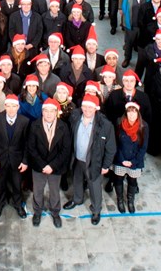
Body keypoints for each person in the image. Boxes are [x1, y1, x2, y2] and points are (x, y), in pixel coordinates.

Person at [64, 94, 115, 225]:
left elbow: (111, 148)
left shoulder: (105, 125)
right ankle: (77, 199)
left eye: (90, 107)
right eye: (85, 106)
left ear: (96, 109)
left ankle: (96, 210)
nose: (87, 110)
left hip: (93, 162)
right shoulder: (75, 117)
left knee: (94, 186)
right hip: (77, 158)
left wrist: (106, 165)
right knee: (77, 180)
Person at [26, 98, 71, 228]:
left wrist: (52, 166)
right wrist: (42, 165)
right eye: (46, 111)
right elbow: (31, 148)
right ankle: (37, 211)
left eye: (52, 111)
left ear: (56, 112)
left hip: (55, 167)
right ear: (42, 112)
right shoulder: (35, 125)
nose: (49, 114)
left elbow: (65, 150)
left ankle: (55, 212)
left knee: (54, 190)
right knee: (38, 190)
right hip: (39, 166)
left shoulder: (64, 127)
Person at [0, 93, 30, 218]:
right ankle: (0, 204)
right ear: (5, 106)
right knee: (0, 183)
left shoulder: (24, 121)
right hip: (1, 158)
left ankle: (18, 204)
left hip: (17, 159)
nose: (11, 109)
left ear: (18, 107)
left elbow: (26, 143)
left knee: (17, 183)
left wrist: (25, 161)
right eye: (8, 106)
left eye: (14, 106)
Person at [112, 101, 148, 213]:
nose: (131, 115)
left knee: (132, 181)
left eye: (134, 112)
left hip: (135, 161)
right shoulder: (119, 124)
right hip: (120, 158)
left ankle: (130, 201)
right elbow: (116, 143)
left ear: (138, 113)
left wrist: (134, 161)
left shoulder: (144, 126)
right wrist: (122, 160)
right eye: (129, 112)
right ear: (126, 113)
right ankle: (120, 201)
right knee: (118, 180)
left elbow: (144, 147)